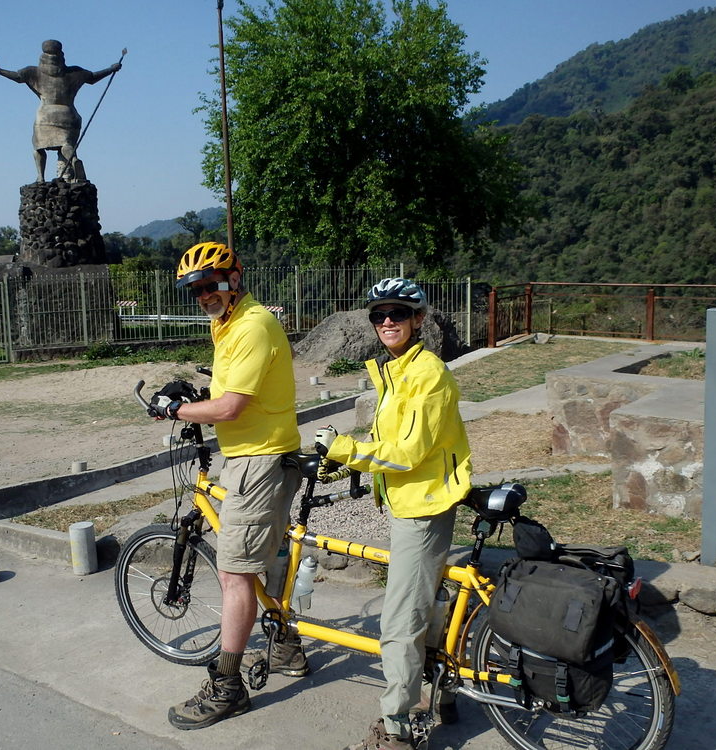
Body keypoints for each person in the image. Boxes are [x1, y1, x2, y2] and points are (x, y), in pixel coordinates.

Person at [147, 242, 308, 730]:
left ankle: (227, 686)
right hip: (257, 454)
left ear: (233, 279)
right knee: (267, 554)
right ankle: (285, 646)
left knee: (234, 574)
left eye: (209, 284)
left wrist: (173, 409)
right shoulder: (228, 324)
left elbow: (231, 407)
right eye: (194, 289)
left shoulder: (252, 324)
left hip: (257, 462)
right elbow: (230, 392)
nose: (202, 294)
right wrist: (197, 395)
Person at [313, 278, 472, 750]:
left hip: (422, 508)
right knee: (426, 604)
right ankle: (444, 693)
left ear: (419, 319)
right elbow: (392, 445)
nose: (387, 322)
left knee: (400, 622)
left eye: (398, 314)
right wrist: (342, 464)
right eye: (379, 315)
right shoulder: (398, 370)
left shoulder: (427, 375)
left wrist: (344, 449)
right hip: (412, 501)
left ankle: (397, 728)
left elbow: (406, 454)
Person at [0, 40, 122, 182]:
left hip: (46, 116)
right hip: (69, 115)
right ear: (61, 54)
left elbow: (17, 77)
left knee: (39, 147)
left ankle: (40, 177)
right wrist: (111, 69)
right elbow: (92, 78)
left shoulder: (33, 72)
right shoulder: (75, 72)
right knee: (66, 144)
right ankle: (73, 160)